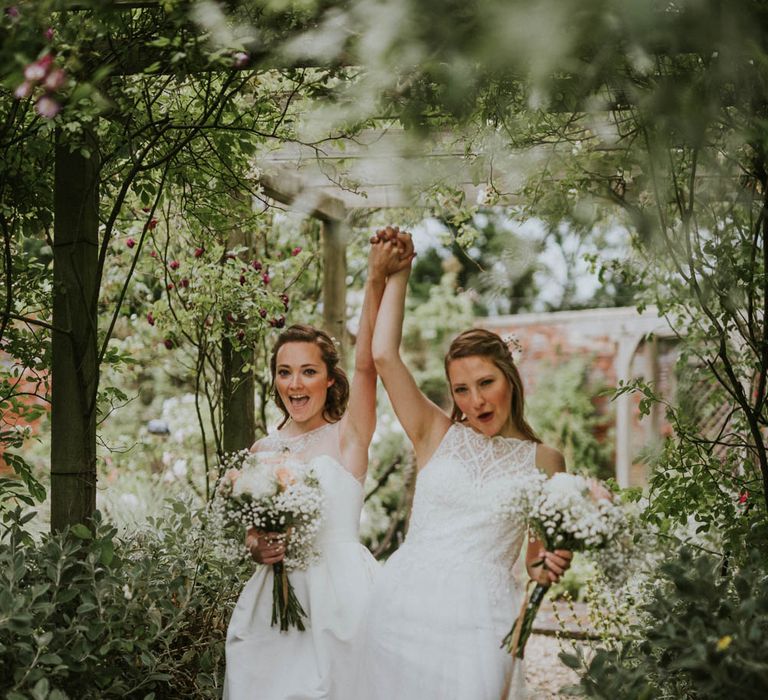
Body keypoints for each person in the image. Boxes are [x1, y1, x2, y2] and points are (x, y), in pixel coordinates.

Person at [355, 228, 573, 699]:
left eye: (486, 382)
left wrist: (548, 566)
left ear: (510, 379)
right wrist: (399, 274)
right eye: (460, 389)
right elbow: (382, 355)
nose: (475, 400)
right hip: (403, 609)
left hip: (482, 619)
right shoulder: (436, 433)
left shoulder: (546, 461)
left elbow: (536, 560)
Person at [223, 231, 414, 700]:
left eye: (309, 371)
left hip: (342, 601)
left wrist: (376, 280)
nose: (295, 383)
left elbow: (369, 365)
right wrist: (257, 546)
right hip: (271, 606)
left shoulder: (348, 437)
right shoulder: (260, 453)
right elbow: (252, 534)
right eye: (284, 372)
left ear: (330, 379)